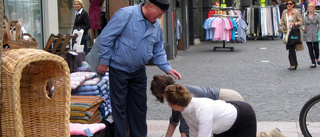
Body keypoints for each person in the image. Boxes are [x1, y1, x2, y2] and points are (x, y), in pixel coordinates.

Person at [97, 0, 182, 136]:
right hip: (119, 69)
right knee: (119, 108)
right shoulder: (126, 14)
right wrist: (104, 61)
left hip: (138, 71)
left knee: (140, 107)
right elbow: (107, 37)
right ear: (151, 7)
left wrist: (167, 68)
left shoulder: (156, 26)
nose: (160, 18)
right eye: (159, 14)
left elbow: (158, 49)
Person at [150, 75, 244, 137]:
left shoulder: (180, 95)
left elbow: (185, 130)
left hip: (228, 98)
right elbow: (174, 120)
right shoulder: (176, 92)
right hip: (225, 97)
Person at [164, 84, 257, 137]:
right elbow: (194, 133)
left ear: (175, 106)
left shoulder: (202, 110)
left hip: (244, 116)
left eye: (167, 102)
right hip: (222, 126)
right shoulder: (185, 111)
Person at [280, 0, 304, 70]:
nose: (288, 5)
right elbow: (282, 20)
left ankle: (293, 64)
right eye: (287, 4)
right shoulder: (285, 12)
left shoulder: (296, 12)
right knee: (290, 47)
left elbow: (301, 21)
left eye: (290, 4)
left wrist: (295, 24)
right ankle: (293, 63)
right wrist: (281, 23)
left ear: (293, 4)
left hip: (293, 32)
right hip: (287, 32)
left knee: (291, 47)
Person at [302, 2, 320, 68]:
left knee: (316, 47)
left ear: (314, 8)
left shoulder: (317, 15)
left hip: (314, 33)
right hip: (307, 33)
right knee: (310, 48)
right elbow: (302, 23)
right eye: (309, 6)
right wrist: (302, 28)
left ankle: (317, 57)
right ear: (307, 8)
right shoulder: (304, 15)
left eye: (312, 6)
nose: (310, 8)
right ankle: (313, 62)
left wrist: (318, 29)